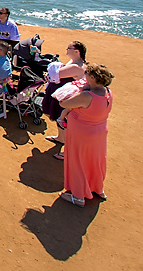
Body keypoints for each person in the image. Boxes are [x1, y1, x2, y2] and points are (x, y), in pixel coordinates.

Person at [57, 63, 114, 207]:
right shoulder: (108, 92)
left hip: (82, 134)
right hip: (99, 132)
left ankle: (78, 196)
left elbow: (64, 103)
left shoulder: (86, 96)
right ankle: (97, 189)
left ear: (93, 78)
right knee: (95, 161)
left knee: (77, 162)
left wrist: (79, 90)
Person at [42, 40, 88, 159]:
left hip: (68, 99)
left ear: (77, 52)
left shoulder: (76, 66)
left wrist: (49, 75)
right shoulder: (74, 62)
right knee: (59, 118)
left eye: (69, 48)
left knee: (65, 122)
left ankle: (68, 152)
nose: (66, 50)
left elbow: (54, 75)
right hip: (64, 96)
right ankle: (60, 138)